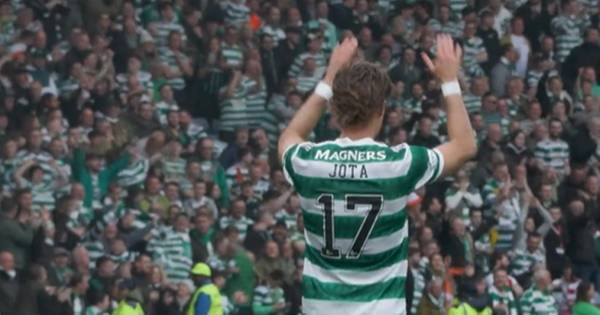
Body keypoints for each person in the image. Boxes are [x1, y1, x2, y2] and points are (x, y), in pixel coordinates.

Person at [278, 34, 476, 314]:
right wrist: (449, 82)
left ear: (334, 109)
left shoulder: (307, 162)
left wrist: (330, 76)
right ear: (382, 110)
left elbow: (289, 136)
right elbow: (465, 145)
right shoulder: (398, 164)